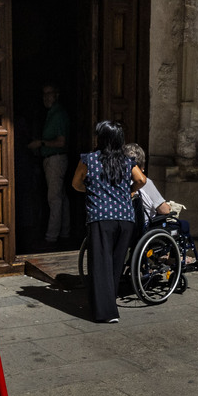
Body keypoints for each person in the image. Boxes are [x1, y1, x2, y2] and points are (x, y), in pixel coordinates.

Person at [72, 120, 146, 324]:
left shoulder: (89, 159)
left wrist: (93, 190)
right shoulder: (127, 160)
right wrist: (128, 191)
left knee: (99, 264)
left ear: (101, 138)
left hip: (100, 217)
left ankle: (106, 312)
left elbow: (76, 183)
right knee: (114, 264)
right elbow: (141, 180)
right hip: (125, 218)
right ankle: (109, 302)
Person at [28, 83, 70, 243]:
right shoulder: (52, 113)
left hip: (55, 159)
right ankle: (65, 233)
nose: (46, 97)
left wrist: (41, 143)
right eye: (44, 94)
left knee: (54, 198)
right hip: (55, 159)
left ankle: (51, 237)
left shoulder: (58, 114)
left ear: (56, 94)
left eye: (49, 93)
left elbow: (61, 142)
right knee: (61, 197)